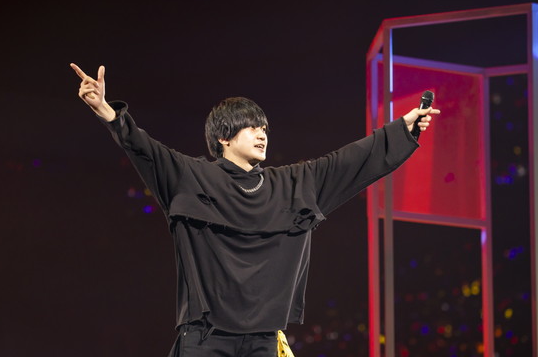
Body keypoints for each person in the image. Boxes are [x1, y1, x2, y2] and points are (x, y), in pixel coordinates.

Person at [70, 63, 440, 357]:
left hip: (264, 341)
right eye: (251, 127)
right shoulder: (190, 177)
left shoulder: (292, 184)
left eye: (264, 128)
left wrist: (402, 130)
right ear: (224, 136)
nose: (262, 134)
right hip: (205, 338)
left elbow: (350, 161)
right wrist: (105, 110)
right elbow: (144, 149)